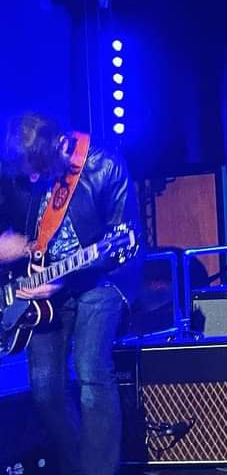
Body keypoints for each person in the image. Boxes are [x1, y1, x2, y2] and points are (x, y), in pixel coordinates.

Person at [0, 111, 140, 475]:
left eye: (39, 171)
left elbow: (127, 242)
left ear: (59, 145)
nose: (32, 180)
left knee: (91, 369)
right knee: (45, 389)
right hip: (40, 290)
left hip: (101, 280)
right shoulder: (19, 172)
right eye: (28, 174)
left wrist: (68, 274)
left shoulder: (106, 167)